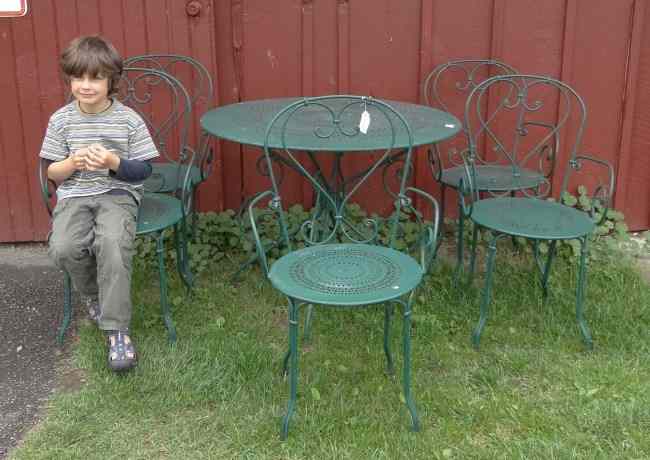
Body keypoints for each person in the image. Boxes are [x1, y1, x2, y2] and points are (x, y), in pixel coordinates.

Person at [39, 35, 159, 372]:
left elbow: (144, 170)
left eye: (96, 78)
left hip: (117, 194)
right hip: (75, 194)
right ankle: (95, 297)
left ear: (112, 81)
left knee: (113, 246)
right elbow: (52, 172)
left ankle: (117, 330)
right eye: (78, 77)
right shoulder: (61, 120)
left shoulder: (128, 120)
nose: (86, 86)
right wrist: (73, 162)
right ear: (70, 80)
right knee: (62, 247)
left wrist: (113, 162)